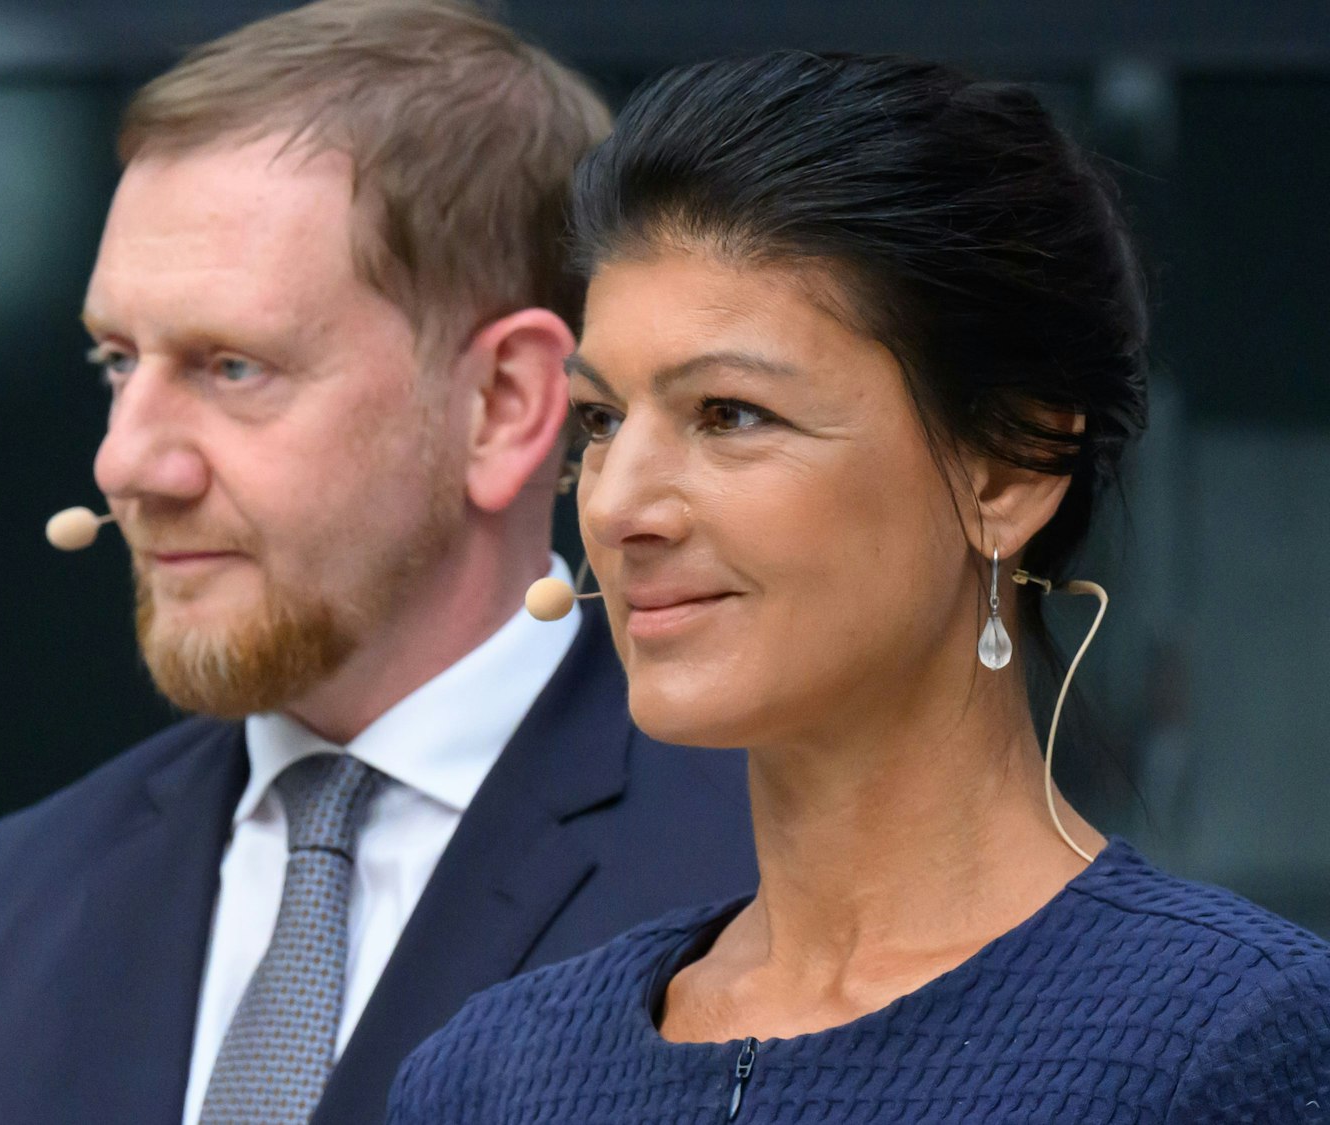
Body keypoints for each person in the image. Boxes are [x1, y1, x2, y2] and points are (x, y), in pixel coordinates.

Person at [0, 4, 757, 1124]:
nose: (126, 460)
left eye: (231, 366)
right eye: (115, 361)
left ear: (505, 402)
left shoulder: (769, 881)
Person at [389, 51, 1330, 1123]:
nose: (614, 508)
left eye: (728, 414)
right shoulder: (492, 1074)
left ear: (1005, 472)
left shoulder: (1229, 1043)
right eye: (602, 422)